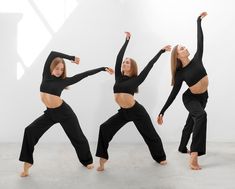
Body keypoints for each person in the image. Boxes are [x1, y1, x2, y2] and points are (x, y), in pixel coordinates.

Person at [19, 51, 113, 177]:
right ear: (52, 68)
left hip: (64, 113)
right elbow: (52, 53)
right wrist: (71, 58)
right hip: (50, 113)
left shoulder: (64, 81)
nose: (59, 71)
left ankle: (87, 161)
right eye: (57, 68)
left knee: (77, 136)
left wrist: (102, 69)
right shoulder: (45, 75)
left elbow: (84, 75)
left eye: (62, 69)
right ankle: (27, 163)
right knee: (30, 130)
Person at [96, 32, 171, 171]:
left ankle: (160, 157)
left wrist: (161, 51)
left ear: (132, 67)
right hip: (124, 112)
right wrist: (126, 41)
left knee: (150, 134)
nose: (124, 63)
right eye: (124, 62)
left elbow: (150, 65)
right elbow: (118, 58)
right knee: (104, 128)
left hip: (137, 112)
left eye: (127, 62)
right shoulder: (118, 77)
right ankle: (103, 158)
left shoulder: (136, 79)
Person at [157, 12, 209, 170]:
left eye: (184, 46)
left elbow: (200, 40)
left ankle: (181, 147)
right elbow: (173, 94)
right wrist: (162, 111)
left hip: (203, 97)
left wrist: (198, 22)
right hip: (190, 99)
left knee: (191, 122)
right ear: (178, 56)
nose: (185, 48)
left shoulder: (197, 58)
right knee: (200, 116)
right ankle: (194, 154)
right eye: (182, 48)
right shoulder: (180, 74)